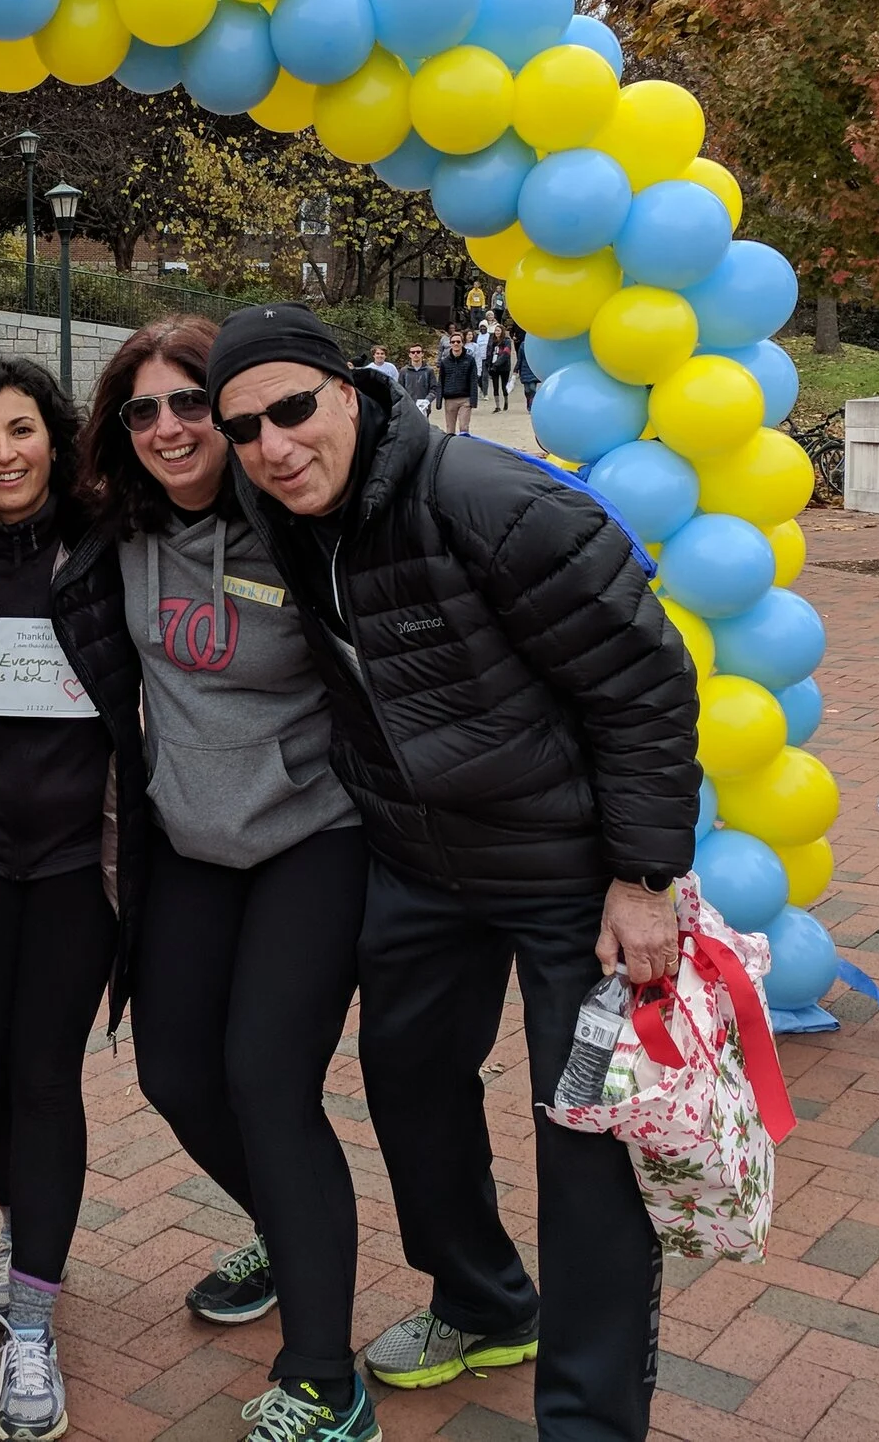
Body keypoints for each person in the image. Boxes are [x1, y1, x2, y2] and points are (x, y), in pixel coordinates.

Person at [208, 303, 699, 1442]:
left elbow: (644, 685)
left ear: (350, 391)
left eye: (292, 410)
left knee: (584, 1143)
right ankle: (481, 1299)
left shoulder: (489, 498)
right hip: (420, 864)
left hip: (565, 875)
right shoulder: (278, 508)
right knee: (407, 1083)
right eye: (246, 428)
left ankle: (588, 1418)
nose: (274, 445)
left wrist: (642, 876)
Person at [80, 318, 375, 1442]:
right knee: (172, 1073)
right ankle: (292, 1230)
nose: (167, 427)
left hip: (315, 831)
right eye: (141, 410)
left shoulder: (303, 528)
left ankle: (323, 1380)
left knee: (266, 1078)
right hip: (189, 836)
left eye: (190, 402)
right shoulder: (118, 529)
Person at [0, 357, 146, 1442]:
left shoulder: (111, 541)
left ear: (54, 436)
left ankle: (35, 1326)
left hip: (74, 864)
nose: (4, 452)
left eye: (21, 429)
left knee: (47, 1079)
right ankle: (21, 1234)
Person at [435, 328, 479, 437]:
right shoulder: (445, 362)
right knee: (450, 429)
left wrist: (473, 400)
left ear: (462, 343)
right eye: (453, 342)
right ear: (450, 344)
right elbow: (441, 381)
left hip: (465, 398)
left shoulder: (470, 360)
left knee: (464, 427)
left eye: (458, 341)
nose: (456, 344)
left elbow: (473, 380)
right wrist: (439, 401)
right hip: (450, 399)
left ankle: (464, 449)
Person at [401, 343, 440, 423]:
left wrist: (427, 400)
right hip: (408, 408)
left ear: (422, 354)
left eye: (418, 352)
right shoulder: (404, 371)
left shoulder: (429, 371)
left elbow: (434, 388)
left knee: (423, 431)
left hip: (424, 408)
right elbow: (400, 389)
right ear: (409, 355)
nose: (415, 354)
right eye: (413, 352)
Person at [484, 327, 515, 412]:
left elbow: (506, 354)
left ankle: (506, 401)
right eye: (496, 331)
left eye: (498, 330)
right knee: (495, 386)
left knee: (504, 386)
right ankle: (497, 406)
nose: (497, 332)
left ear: (502, 332)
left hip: (504, 367)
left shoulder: (507, 341)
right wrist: (489, 364)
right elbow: (489, 352)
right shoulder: (492, 341)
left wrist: (497, 363)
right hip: (494, 367)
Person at [514, 327, 540, 413]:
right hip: (524, 369)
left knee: (532, 388)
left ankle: (532, 406)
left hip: (533, 369)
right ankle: (529, 403)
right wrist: (516, 369)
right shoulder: (522, 345)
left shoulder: (536, 346)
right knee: (527, 390)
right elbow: (519, 359)